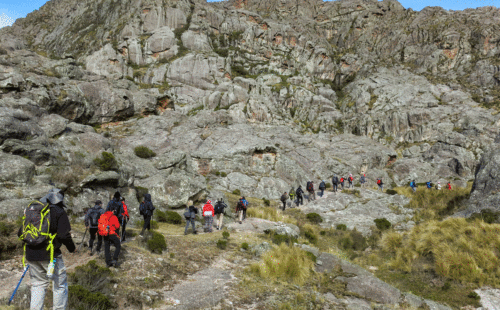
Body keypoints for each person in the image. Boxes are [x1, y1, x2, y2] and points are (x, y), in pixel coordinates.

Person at [18, 188, 76, 310]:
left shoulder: (34, 211)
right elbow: (64, 235)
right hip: (50, 256)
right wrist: (72, 248)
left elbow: (20, 233)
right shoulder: (59, 211)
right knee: (59, 285)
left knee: (37, 285)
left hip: (31, 254)